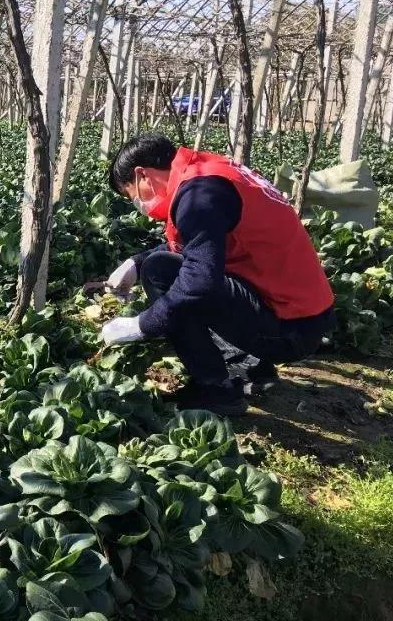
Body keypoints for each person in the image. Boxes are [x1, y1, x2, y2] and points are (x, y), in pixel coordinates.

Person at [101, 133, 335, 415]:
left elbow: (198, 280)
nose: (138, 204)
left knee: (161, 272)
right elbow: (199, 243)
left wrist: (141, 325)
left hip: (289, 330)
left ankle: (216, 390)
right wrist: (135, 263)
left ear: (143, 175)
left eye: (132, 194)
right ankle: (250, 365)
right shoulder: (209, 175)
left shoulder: (198, 196)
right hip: (305, 317)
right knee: (158, 265)